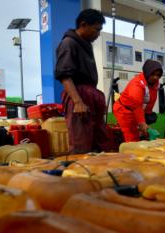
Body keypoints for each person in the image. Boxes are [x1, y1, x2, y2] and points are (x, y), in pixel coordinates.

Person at [55, 9, 110, 153]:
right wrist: (78, 101)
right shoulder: (68, 43)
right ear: (83, 24)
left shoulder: (86, 44)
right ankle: (79, 173)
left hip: (91, 94)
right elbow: (64, 75)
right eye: (96, 30)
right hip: (79, 95)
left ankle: (100, 172)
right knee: (81, 142)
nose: (98, 34)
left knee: (100, 139)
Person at [113, 59, 163, 142]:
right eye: (153, 74)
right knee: (132, 138)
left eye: (158, 75)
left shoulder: (155, 83)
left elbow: (151, 99)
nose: (155, 77)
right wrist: (142, 122)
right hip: (124, 111)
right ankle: (131, 153)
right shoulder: (137, 85)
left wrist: (148, 114)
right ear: (147, 72)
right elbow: (137, 105)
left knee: (143, 134)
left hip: (137, 111)